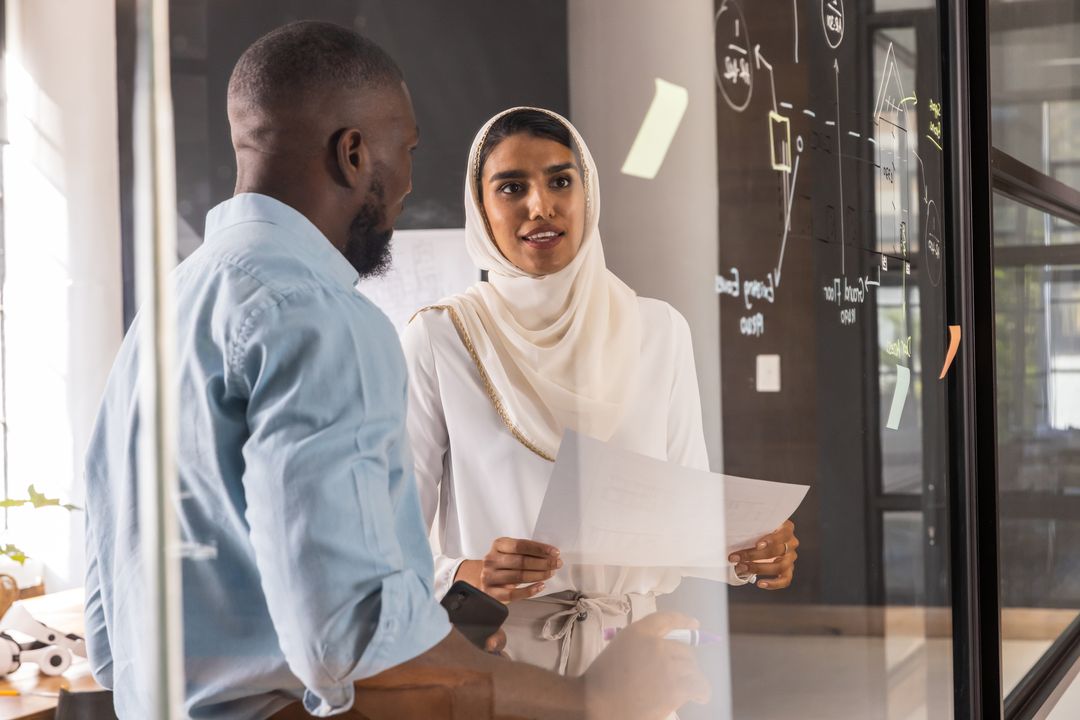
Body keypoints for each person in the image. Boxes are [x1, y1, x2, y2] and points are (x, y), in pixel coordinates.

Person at [83, 23, 708, 720]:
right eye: (406, 150)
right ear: (355, 154)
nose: (409, 184)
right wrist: (596, 699)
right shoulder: (327, 321)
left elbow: (109, 633)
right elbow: (361, 649)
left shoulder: (166, 311)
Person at [404, 107, 800, 676]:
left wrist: (752, 554)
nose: (540, 205)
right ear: (480, 208)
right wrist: (466, 574)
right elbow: (390, 546)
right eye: (511, 187)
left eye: (560, 181)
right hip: (497, 655)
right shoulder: (441, 338)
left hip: (633, 651)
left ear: (587, 193)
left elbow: (683, 516)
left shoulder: (659, 330)